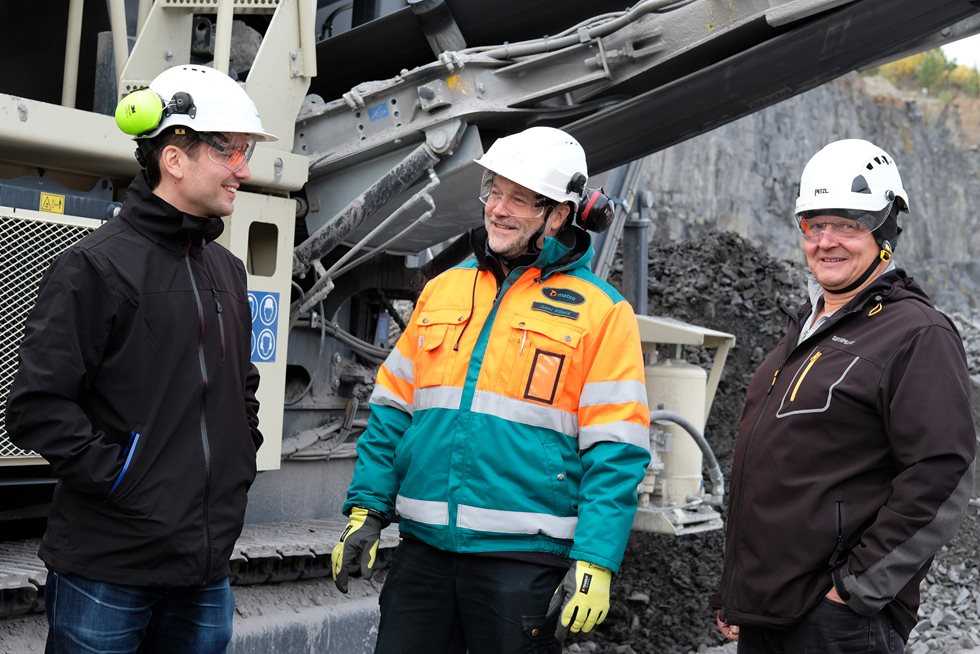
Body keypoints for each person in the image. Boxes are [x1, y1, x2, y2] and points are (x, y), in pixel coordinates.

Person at [330, 126, 652, 652]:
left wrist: (595, 560)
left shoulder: (602, 313)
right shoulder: (443, 290)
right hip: (423, 555)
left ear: (558, 214)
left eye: (519, 199)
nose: (498, 209)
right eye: (494, 192)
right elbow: (392, 410)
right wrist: (367, 510)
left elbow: (615, 450)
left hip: (522, 564)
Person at [5, 64, 275, 653]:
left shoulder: (227, 271)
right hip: (111, 566)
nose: (244, 170)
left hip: (205, 568)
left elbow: (241, 388)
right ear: (175, 158)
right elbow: (36, 405)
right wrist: (127, 482)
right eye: (230, 151)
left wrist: (238, 459)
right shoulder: (95, 266)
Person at [713, 138, 976, 653]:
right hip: (769, 614)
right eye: (815, 225)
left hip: (837, 624)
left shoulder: (916, 333)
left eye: (849, 226)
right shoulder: (806, 331)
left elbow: (941, 473)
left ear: (884, 233)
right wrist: (737, 595)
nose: (826, 241)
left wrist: (854, 590)